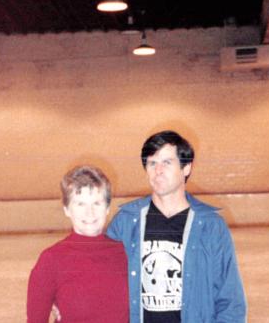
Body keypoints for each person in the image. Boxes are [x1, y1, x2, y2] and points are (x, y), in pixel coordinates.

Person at [107, 130, 247, 323]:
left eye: (167, 162)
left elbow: (230, 301)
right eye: (152, 163)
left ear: (186, 168)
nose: (158, 170)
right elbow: (100, 282)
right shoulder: (125, 223)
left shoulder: (211, 227)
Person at [27, 165, 129, 323]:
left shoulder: (126, 252)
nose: (90, 212)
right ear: (67, 209)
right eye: (80, 204)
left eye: (97, 203)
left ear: (108, 207)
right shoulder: (51, 259)